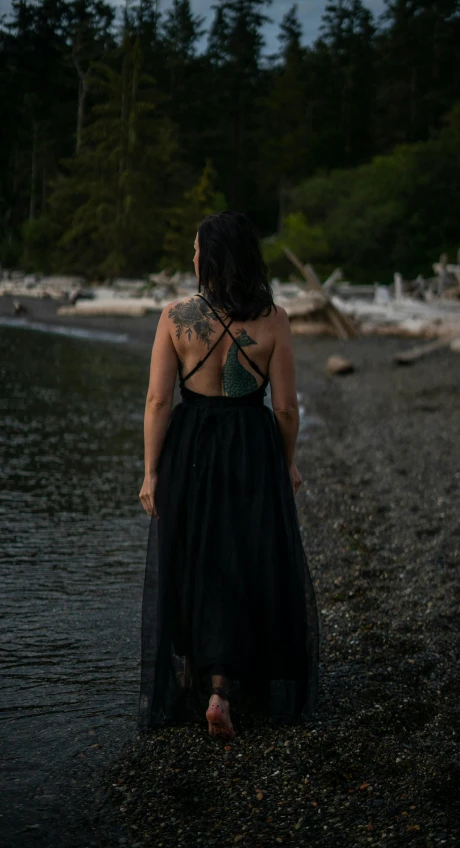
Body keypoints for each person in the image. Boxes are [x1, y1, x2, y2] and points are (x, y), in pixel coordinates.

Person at [138, 210, 319, 738]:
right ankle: (224, 687)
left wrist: (151, 471)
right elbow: (286, 407)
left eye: (196, 250)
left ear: (210, 258)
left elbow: (156, 400)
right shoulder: (273, 318)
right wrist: (286, 462)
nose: (192, 258)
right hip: (250, 447)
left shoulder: (175, 317)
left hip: (191, 444)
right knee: (244, 557)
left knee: (193, 554)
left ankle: (197, 675)